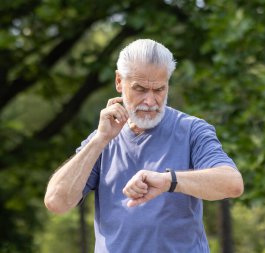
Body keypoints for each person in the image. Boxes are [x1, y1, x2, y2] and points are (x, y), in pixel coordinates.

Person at [44, 38, 244, 253]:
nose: (150, 101)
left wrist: (168, 180)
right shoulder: (102, 137)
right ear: (119, 81)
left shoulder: (192, 129)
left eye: (159, 90)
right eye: (140, 89)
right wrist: (99, 140)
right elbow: (57, 202)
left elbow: (232, 183)